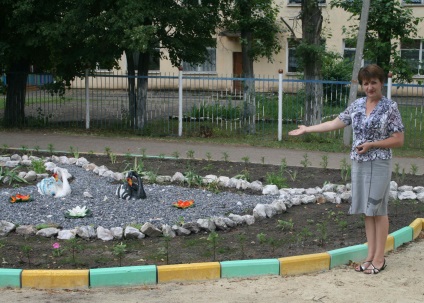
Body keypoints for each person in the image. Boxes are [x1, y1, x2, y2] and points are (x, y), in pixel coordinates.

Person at [289, 64, 404, 274]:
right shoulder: (358, 105)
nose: (369, 87)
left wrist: (372, 144)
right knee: (367, 211)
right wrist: (308, 129)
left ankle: (380, 259)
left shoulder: (390, 107)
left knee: (378, 209)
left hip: (379, 162)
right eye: (366, 83)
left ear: (381, 83)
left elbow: (398, 140)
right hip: (359, 162)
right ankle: (370, 255)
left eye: (373, 82)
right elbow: (334, 123)